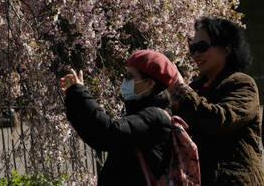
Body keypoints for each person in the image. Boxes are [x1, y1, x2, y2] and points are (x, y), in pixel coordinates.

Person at [168, 16, 264, 185]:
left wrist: (180, 89)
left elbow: (220, 119)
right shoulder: (195, 88)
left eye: (203, 47)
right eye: (193, 48)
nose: (196, 54)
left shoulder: (242, 84)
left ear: (227, 48)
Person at [61, 50, 179, 185]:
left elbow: (109, 132)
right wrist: (74, 99)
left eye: (129, 77)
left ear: (150, 84)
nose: (124, 81)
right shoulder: (143, 113)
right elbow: (98, 139)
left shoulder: (154, 117)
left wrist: (81, 94)